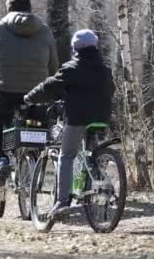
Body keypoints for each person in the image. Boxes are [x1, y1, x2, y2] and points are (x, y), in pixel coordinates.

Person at [24, 29, 114, 219]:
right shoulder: (105, 69)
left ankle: (62, 202)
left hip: (78, 118)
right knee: (91, 156)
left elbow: (49, 86)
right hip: (101, 118)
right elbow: (111, 89)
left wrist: (29, 97)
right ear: (95, 47)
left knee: (67, 156)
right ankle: (100, 182)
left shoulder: (71, 68)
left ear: (75, 48)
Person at [0, 0, 59, 187]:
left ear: (9, 9)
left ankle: (0, 159)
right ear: (29, 9)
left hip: (7, 93)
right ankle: (36, 169)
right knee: (41, 126)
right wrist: (55, 92)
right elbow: (54, 66)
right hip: (39, 94)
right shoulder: (45, 30)